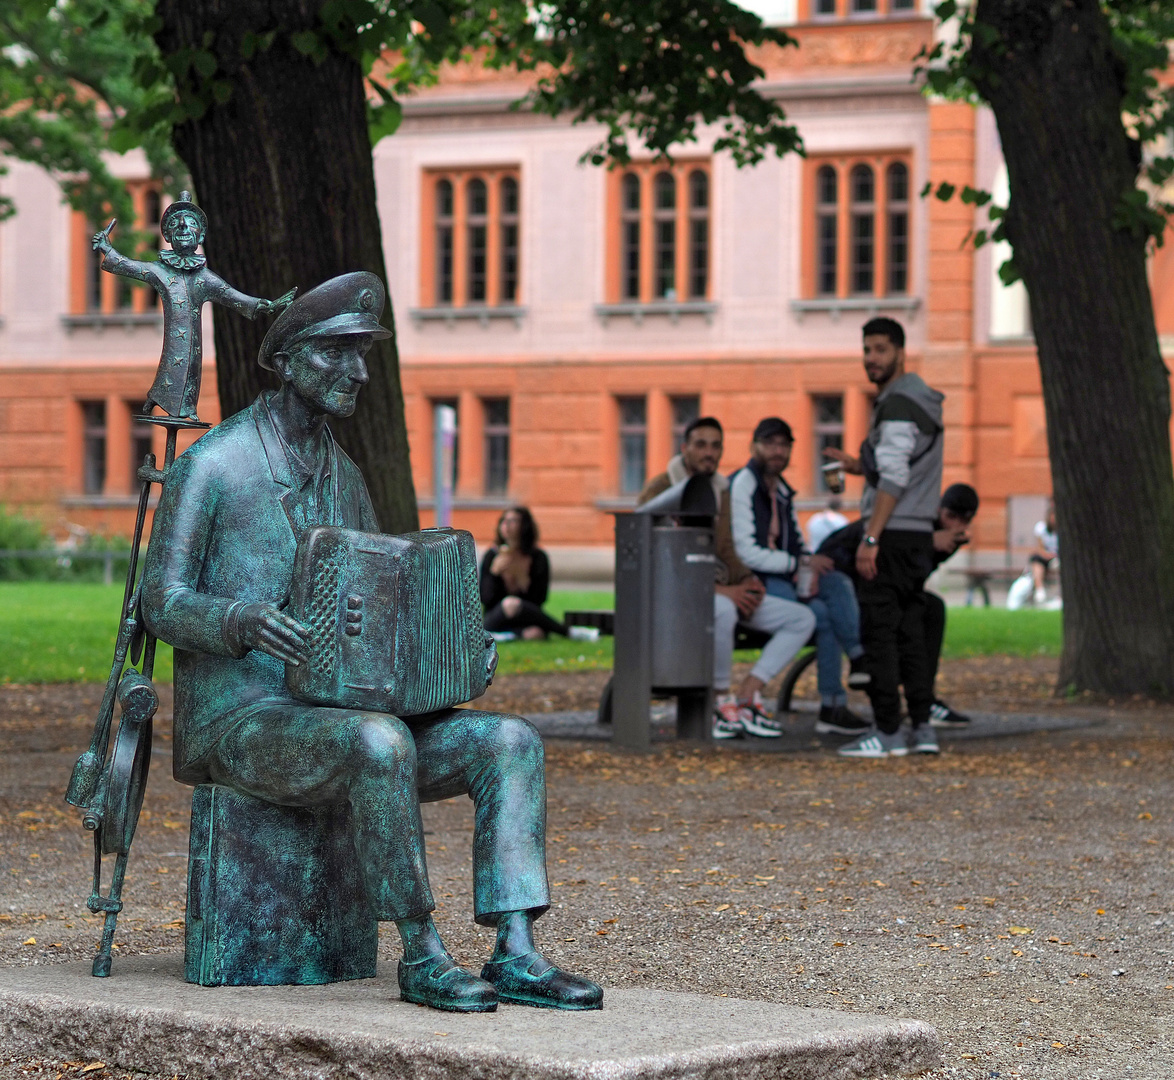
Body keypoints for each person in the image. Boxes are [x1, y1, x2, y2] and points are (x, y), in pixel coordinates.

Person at [142, 273, 601, 1013]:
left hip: (335, 709)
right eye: (338, 354)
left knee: (509, 741)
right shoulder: (213, 467)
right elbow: (158, 600)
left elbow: (377, 598)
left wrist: (450, 653)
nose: (357, 372)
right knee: (380, 745)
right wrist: (239, 620)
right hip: (241, 720)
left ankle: (516, 948)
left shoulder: (344, 475)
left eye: (363, 355)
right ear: (287, 359)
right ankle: (422, 952)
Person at [638, 416, 815, 740]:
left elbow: (727, 550)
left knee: (801, 618)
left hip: (718, 590)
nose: (709, 452)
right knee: (724, 609)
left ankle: (748, 694)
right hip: (672, 597)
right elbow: (653, 561)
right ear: (684, 448)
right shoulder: (661, 489)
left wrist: (748, 581)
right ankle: (720, 701)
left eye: (716, 446)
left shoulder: (721, 490)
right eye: (701, 444)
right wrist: (722, 590)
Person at [824, 317, 944, 759]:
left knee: (880, 633)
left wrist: (870, 538)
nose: (870, 359)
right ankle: (922, 727)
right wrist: (860, 468)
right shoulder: (921, 400)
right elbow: (906, 465)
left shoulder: (898, 404)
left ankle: (888, 731)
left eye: (879, 349)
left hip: (892, 534)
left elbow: (895, 475)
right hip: (917, 534)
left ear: (899, 352)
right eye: (866, 350)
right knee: (910, 632)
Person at [92, 191, 294, 421]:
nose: (183, 228)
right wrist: (106, 249)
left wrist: (264, 305)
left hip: (192, 345)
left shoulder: (204, 278)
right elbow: (130, 266)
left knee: (191, 370)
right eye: (177, 226)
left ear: (200, 236)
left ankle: (186, 409)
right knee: (170, 364)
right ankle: (157, 399)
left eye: (190, 225)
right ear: (168, 236)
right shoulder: (160, 271)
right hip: (174, 341)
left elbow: (234, 297)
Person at [729, 417, 871, 737]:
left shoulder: (782, 491)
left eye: (784, 445)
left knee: (836, 582)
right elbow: (745, 552)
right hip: (752, 579)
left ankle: (858, 663)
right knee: (821, 614)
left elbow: (794, 542)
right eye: (770, 444)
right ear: (754, 447)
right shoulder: (743, 485)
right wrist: (798, 565)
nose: (778, 451)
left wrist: (808, 563)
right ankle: (833, 702)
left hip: (782, 573)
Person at [817, 483, 980, 746]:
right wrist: (929, 543)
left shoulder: (945, 537)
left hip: (892, 586)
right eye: (951, 516)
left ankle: (921, 707)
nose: (956, 524)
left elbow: (916, 572)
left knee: (927, 610)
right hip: (860, 585)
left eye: (964, 520)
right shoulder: (913, 525)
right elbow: (859, 549)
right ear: (939, 509)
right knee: (895, 619)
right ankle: (893, 721)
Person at [480, 507, 593, 641]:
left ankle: (507, 636)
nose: (507, 525)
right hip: (497, 617)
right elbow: (485, 598)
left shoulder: (538, 557)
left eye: (513, 521)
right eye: (504, 521)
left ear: (525, 526)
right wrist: (494, 573)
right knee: (510, 604)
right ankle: (568, 632)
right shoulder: (492, 555)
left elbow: (539, 599)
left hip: (526, 617)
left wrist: (523, 580)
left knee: (535, 633)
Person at [1030, 499, 1059, 604]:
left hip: (1057, 557)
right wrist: (1047, 555)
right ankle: (1040, 591)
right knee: (1036, 561)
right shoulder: (1041, 528)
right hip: (1046, 556)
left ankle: (1059, 595)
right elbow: (1040, 547)